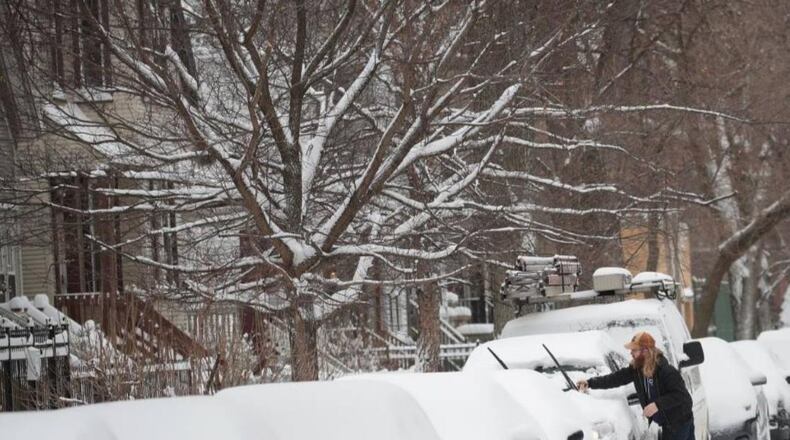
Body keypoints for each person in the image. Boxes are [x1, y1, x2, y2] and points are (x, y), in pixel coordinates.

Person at [576, 331, 695, 440]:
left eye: (634, 350)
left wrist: (657, 405)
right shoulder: (637, 370)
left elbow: (682, 396)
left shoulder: (666, 371)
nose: (631, 353)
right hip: (668, 424)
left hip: (679, 422)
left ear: (645, 351)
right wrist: (590, 382)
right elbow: (615, 378)